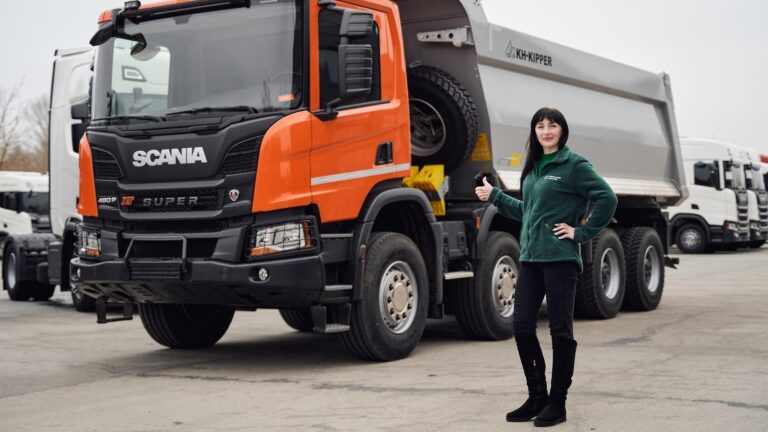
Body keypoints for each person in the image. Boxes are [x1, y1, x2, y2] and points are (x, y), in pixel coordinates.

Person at [475, 107, 617, 427]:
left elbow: (607, 198)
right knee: (522, 327)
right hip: (531, 258)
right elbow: (529, 211)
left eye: (552, 125)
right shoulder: (535, 166)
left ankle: (557, 403)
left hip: (560, 260)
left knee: (560, 331)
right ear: (534, 132)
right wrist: (495, 195)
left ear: (562, 130)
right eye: (540, 126)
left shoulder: (574, 165)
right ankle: (536, 396)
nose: (546, 131)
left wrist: (580, 233)